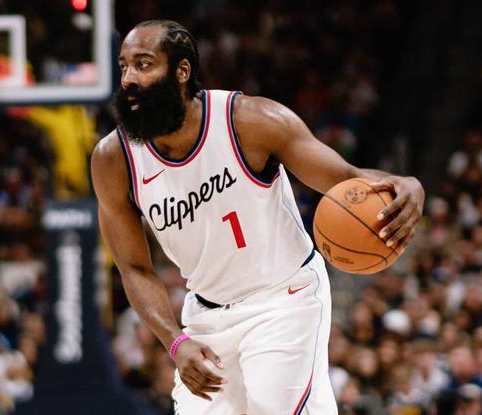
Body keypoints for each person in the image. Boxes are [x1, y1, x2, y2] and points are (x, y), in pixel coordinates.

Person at [91, 19, 425, 414]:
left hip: (284, 299)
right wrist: (175, 342)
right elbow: (133, 268)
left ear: (181, 71)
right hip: (206, 314)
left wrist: (405, 184)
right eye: (124, 66)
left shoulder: (251, 121)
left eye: (144, 65)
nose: (129, 78)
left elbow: (346, 178)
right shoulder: (114, 160)